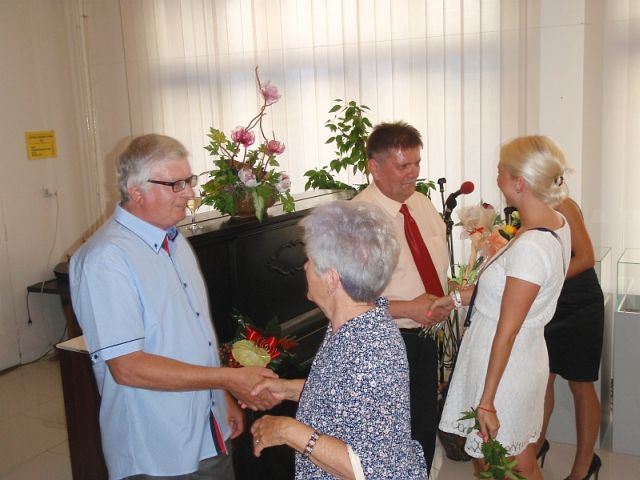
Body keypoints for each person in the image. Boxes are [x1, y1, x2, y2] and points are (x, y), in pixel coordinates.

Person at [70, 134, 278, 480]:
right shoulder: (106, 259)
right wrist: (229, 378)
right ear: (136, 192)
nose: (190, 193)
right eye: (175, 185)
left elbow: (193, 337)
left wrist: (221, 395)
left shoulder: (174, 239)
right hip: (157, 445)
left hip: (207, 425)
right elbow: (128, 367)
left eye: (189, 180)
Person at [249, 200, 427, 479]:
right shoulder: (351, 322)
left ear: (332, 279)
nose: (305, 267)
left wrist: (286, 430)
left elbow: (368, 470)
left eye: (311, 260)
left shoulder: (371, 352)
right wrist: (288, 389)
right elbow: (345, 396)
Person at [436, 135, 571, 480]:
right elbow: (510, 292)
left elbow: (507, 330)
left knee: (500, 466)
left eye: (500, 172)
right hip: (517, 358)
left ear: (519, 183)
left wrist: (487, 401)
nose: (496, 179)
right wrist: (456, 299)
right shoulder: (553, 222)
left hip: (504, 368)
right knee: (515, 462)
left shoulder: (532, 247)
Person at [352, 121, 452, 473]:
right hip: (385, 340)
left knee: (422, 426)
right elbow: (347, 301)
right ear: (374, 166)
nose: (413, 174)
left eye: (417, 163)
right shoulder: (358, 220)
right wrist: (409, 308)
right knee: (392, 438)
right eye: (403, 166)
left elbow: (435, 269)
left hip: (426, 338)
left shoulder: (421, 204)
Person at [534, 197, 604, 480]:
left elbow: (586, 258)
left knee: (581, 384)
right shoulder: (525, 203)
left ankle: (585, 465)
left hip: (579, 303)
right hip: (547, 302)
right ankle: (536, 444)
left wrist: (542, 279)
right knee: (543, 378)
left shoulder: (562, 204)